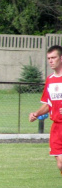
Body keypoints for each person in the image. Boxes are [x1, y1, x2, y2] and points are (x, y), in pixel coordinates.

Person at [29, 45, 62, 176]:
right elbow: (48, 104)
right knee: (60, 163)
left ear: (61, 58)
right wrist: (36, 114)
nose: (51, 61)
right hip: (56, 128)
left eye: (53, 57)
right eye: (49, 58)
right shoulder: (50, 79)